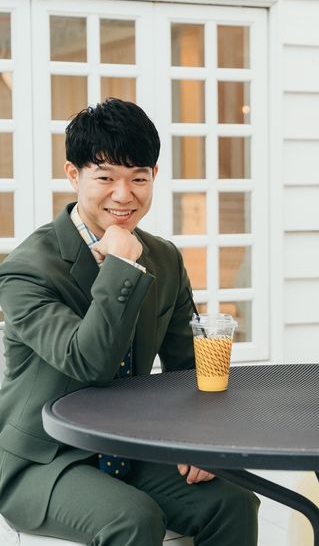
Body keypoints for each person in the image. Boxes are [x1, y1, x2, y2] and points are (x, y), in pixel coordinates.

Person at [0, 98, 259, 546]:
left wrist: (201, 439)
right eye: (105, 178)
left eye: (138, 178)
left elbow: (188, 366)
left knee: (233, 500)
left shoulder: (165, 259)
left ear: (154, 176)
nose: (124, 195)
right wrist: (121, 267)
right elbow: (88, 362)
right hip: (43, 460)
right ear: (73, 175)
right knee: (134, 519)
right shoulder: (26, 270)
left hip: (129, 449)